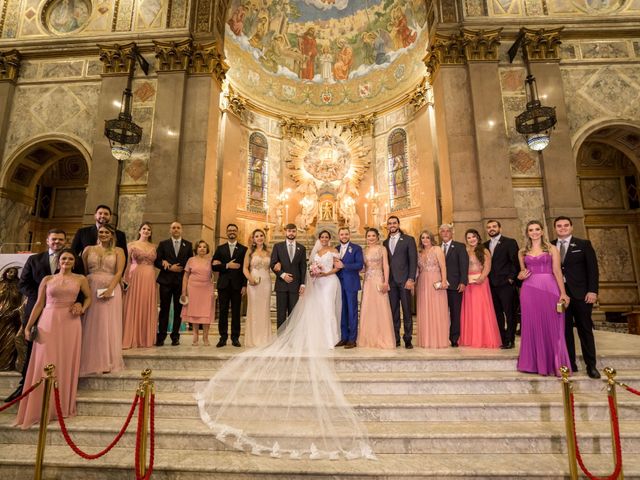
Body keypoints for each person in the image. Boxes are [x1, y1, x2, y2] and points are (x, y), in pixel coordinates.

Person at [196, 230, 375, 461]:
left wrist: (323, 272)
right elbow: (300, 267)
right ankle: (317, 337)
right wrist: (312, 272)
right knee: (315, 311)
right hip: (309, 283)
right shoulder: (307, 251)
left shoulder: (330, 250)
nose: (324, 240)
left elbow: (320, 267)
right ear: (319, 239)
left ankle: (332, 338)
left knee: (331, 311)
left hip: (329, 282)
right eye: (322, 238)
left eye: (326, 238)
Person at [5, 229, 83, 403]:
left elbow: (82, 285)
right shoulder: (34, 259)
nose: (57, 242)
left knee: (60, 348)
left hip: (65, 312)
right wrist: (43, 295)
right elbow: (23, 283)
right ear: (47, 240)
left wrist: (79, 303)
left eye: (61, 239)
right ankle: (25, 387)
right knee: (33, 349)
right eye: (54, 239)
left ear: (65, 241)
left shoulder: (73, 260)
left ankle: (60, 386)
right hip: (39, 307)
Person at [15, 249, 91, 428]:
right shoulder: (47, 279)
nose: (67, 261)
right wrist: (27, 326)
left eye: (70, 258)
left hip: (71, 323)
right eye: (64, 258)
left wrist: (82, 306)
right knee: (44, 361)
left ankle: (60, 405)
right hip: (48, 322)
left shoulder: (81, 279)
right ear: (58, 262)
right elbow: (39, 303)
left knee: (65, 361)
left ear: (74, 262)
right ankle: (39, 406)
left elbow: (88, 298)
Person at [517, 220, 572, 377]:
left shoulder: (551, 248)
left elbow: (557, 272)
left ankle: (555, 364)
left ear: (542, 231)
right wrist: (520, 275)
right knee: (532, 325)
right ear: (527, 233)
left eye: (537, 229)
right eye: (531, 230)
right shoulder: (521, 252)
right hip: (529, 290)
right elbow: (522, 272)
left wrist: (563, 293)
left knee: (553, 325)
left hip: (549, 288)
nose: (534, 232)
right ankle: (534, 364)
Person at [552, 216, 601, 379]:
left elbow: (593, 270)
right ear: (555, 228)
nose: (562, 228)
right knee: (564, 331)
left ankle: (591, 365)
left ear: (571, 227)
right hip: (560, 295)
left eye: (566, 225)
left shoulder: (583, 244)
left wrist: (592, 291)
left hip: (581, 294)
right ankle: (570, 363)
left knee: (585, 330)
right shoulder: (550, 246)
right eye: (559, 226)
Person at [79, 224, 125, 375]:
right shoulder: (88, 249)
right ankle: (90, 359)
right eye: (101, 232)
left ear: (112, 235)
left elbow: (119, 272)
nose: (103, 234)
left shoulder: (118, 251)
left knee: (107, 323)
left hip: (110, 288)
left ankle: (107, 360)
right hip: (91, 287)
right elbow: (84, 271)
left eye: (106, 232)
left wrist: (110, 288)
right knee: (92, 323)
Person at [459, 229, 502, 349]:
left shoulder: (483, 250)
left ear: (478, 237)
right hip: (468, 284)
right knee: (470, 310)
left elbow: (488, 266)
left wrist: (481, 278)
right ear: (466, 240)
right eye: (469, 237)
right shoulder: (465, 251)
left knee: (481, 309)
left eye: (473, 237)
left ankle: (484, 338)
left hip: (480, 283)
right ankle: (470, 338)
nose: (472, 239)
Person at [154, 222, 193, 346]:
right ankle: (161, 336)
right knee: (164, 309)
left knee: (178, 310)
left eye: (178, 228)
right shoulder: (163, 244)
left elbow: (190, 263)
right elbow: (157, 261)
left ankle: (175, 336)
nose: (176, 230)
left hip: (181, 282)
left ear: (181, 230)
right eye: (173, 228)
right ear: (170, 230)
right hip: (165, 281)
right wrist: (169, 267)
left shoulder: (188, 245)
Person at [484, 219, 520, 350]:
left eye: (494, 226)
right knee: (497, 313)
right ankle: (502, 338)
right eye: (489, 227)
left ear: (500, 228)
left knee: (510, 313)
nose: (491, 229)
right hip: (491, 285)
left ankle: (510, 340)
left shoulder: (509, 242)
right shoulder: (484, 245)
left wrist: (511, 278)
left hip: (506, 284)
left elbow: (515, 262)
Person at [383, 216, 417, 348]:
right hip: (391, 282)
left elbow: (413, 260)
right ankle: (395, 338)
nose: (392, 225)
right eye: (389, 223)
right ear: (387, 226)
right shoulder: (385, 243)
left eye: (394, 223)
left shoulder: (408, 240)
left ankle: (408, 338)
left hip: (404, 281)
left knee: (407, 310)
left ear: (398, 224)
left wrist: (411, 279)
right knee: (394, 311)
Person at [358, 228, 395, 349]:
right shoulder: (364, 251)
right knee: (369, 308)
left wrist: (386, 282)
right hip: (368, 282)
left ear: (377, 237)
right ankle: (369, 339)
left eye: (373, 235)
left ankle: (383, 338)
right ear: (366, 238)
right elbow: (363, 268)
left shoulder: (382, 249)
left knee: (381, 308)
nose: (371, 238)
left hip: (379, 279)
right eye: (369, 236)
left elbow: (386, 265)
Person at [122, 222, 157, 349]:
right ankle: (131, 337)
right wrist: (124, 278)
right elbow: (126, 263)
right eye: (144, 228)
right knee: (133, 303)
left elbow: (157, 262)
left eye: (149, 229)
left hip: (149, 277)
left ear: (151, 232)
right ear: (139, 231)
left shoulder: (155, 246)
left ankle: (144, 337)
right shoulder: (131, 245)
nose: (146, 231)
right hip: (135, 275)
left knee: (146, 304)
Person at [212, 224, 247, 347]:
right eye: (230, 230)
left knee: (236, 312)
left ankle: (235, 337)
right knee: (223, 311)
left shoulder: (243, 249)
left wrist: (244, 285)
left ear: (237, 232)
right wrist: (227, 265)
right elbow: (213, 266)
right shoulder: (220, 248)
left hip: (238, 286)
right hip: (223, 285)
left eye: (234, 230)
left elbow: (245, 268)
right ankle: (223, 337)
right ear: (226, 232)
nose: (232, 232)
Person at [415, 230, 449, 349]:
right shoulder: (419, 252)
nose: (425, 240)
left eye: (427, 237)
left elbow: (443, 266)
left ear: (431, 239)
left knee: (436, 308)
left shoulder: (437, 249)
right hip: (423, 282)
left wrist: (444, 280)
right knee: (425, 309)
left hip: (435, 280)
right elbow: (418, 270)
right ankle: (426, 339)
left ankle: (438, 340)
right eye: (423, 237)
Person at [270, 223, 306, 330]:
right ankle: (280, 338)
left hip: (295, 285)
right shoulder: (278, 246)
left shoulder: (302, 248)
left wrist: (303, 284)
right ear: (285, 232)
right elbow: (273, 264)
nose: (291, 233)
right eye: (289, 231)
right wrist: (283, 275)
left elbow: (303, 267)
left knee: (293, 314)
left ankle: (291, 339)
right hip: (281, 285)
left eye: (293, 231)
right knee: (281, 314)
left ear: (296, 232)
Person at [439, 223, 469, 347]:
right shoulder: (436, 248)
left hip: (455, 285)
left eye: (448, 231)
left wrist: (463, 282)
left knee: (455, 313)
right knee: (441, 312)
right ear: (440, 233)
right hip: (439, 287)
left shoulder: (459, 246)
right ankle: (442, 336)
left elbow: (464, 265)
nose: (445, 233)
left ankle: (454, 338)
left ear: (452, 233)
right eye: (443, 231)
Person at [242, 229, 273, 348]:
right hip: (253, 283)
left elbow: (274, 266)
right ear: (253, 239)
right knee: (254, 310)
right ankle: (253, 339)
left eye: (261, 236)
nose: (259, 238)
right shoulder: (249, 251)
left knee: (264, 310)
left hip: (266, 283)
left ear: (264, 237)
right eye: (257, 236)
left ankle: (265, 339)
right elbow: (245, 268)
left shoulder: (269, 252)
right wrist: (250, 279)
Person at [181, 240, 215, 346]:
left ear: (207, 249)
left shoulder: (211, 260)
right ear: (196, 249)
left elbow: (216, 274)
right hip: (193, 289)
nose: (202, 248)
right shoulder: (191, 260)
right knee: (194, 312)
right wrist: (184, 291)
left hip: (207, 288)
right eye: (200, 247)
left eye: (204, 247)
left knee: (206, 312)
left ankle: (205, 337)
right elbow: (185, 276)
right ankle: (195, 336)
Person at [334, 227, 363, 348]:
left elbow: (359, 265)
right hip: (338, 284)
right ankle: (344, 337)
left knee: (352, 311)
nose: (344, 236)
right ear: (339, 235)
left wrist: (344, 265)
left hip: (351, 283)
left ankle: (352, 339)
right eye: (342, 234)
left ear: (349, 235)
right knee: (342, 311)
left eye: (346, 234)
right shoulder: (335, 249)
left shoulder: (356, 248)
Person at [0, 267, 22, 371]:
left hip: (12, 318)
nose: (11, 274)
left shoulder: (18, 286)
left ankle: (7, 365)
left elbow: (22, 301)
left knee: (10, 341)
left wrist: (16, 312)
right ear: (5, 272)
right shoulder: (0, 284)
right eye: (9, 271)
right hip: (1, 317)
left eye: (14, 272)